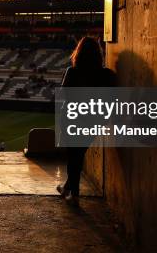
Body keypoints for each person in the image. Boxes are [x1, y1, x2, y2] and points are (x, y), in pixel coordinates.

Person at [56, 36, 116, 205]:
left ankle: (73, 193)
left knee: (74, 156)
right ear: (99, 54)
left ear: (79, 53)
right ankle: (68, 188)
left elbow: (65, 97)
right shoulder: (107, 75)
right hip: (93, 121)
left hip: (73, 118)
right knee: (78, 154)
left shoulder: (72, 71)